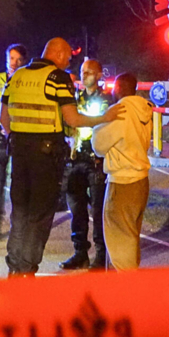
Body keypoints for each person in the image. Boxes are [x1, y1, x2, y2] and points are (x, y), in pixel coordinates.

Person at [0, 38, 120, 276]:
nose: (68, 62)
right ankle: (27, 269)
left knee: (20, 213)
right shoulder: (57, 77)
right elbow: (72, 119)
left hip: (19, 153)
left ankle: (14, 269)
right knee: (40, 214)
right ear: (56, 53)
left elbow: (4, 119)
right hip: (45, 156)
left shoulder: (16, 76)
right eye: (67, 57)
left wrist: (22, 137)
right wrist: (104, 118)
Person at [92, 73, 154, 272]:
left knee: (118, 241)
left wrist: (99, 123)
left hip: (122, 182)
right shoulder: (144, 110)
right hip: (141, 181)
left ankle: (124, 293)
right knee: (131, 237)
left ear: (118, 87)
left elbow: (99, 144)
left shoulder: (119, 111)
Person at [59, 59, 113, 271]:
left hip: (96, 160)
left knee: (98, 210)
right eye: (82, 71)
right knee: (76, 208)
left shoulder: (107, 99)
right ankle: (80, 252)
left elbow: (104, 123)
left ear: (99, 75)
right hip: (76, 158)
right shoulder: (74, 99)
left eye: (89, 72)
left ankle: (101, 256)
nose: (85, 75)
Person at [0, 43, 29, 242]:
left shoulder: (28, 81)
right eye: (12, 58)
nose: (15, 63)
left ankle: (18, 226)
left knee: (20, 184)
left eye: (19, 59)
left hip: (20, 136)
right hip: (1, 136)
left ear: (24, 61)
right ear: (6, 59)